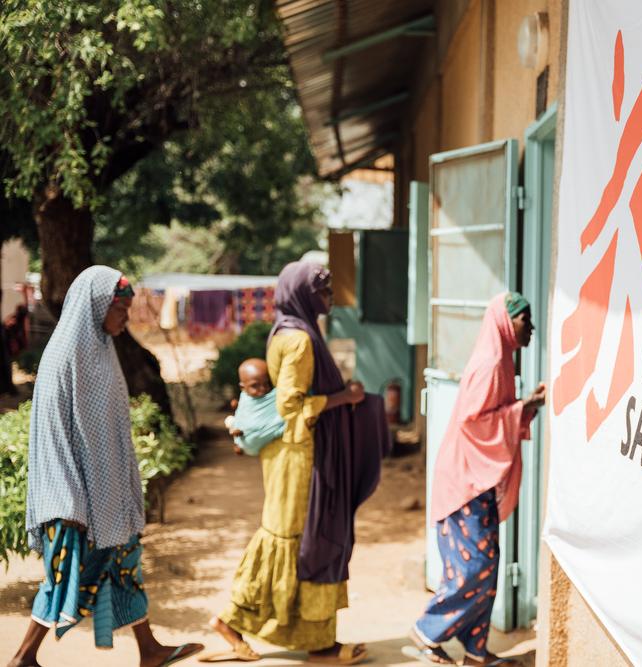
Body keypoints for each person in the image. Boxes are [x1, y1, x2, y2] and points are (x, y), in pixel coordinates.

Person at [7, 266, 203, 667]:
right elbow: (53, 434)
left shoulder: (101, 349)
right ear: (97, 306)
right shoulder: (64, 357)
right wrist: (67, 499)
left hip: (107, 492)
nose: (125, 319)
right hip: (74, 498)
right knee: (64, 579)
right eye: (121, 310)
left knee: (124, 565)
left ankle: (149, 649)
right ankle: (22, 658)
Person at [206, 261, 390, 665]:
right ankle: (231, 620)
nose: (329, 298)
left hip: (296, 451)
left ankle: (315, 638)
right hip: (299, 454)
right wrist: (345, 398)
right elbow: (290, 406)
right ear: (305, 294)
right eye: (323, 292)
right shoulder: (301, 340)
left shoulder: (287, 329)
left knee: (303, 540)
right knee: (295, 540)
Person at [405, 292, 545, 667]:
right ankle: (426, 633)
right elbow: (474, 422)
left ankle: (474, 652)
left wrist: (523, 405)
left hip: (475, 479)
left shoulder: (501, 361)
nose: (530, 327)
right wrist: (524, 408)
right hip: (464, 481)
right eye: (524, 319)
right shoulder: (489, 364)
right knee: (474, 567)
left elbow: (490, 414)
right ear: (505, 322)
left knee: (487, 564)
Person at [223, 358, 286, 456]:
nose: (263, 388)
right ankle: (239, 444)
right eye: (255, 386)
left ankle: (241, 444)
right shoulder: (245, 398)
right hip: (244, 437)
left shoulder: (273, 395)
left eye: (266, 383)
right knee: (232, 423)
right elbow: (242, 415)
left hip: (266, 436)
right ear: (243, 387)